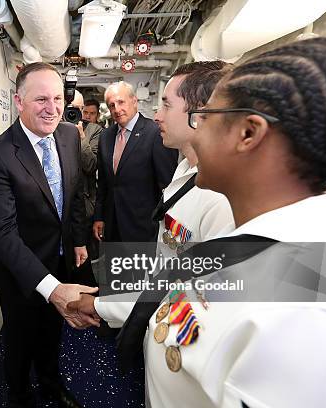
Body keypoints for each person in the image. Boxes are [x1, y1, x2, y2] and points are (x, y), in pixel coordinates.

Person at [144, 37, 326, 407]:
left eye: (205, 117)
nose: (197, 129)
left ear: (248, 134)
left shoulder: (307, 310)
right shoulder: (258, 241)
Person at [68, 61, 234, 332]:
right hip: (119, 228)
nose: (157, 116)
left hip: (144, 232)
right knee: (120, 277)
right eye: (111, 105)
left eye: (167, 105)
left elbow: (195, 298)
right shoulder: (185, 170)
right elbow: (106, 182)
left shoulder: (220, 198)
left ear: (200, 113)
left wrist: (97, 306)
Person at [0, 62, 98, 408]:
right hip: (21, 273)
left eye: (58, 98)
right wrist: (50, 288)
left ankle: (50, 384)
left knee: (51, 334)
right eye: (41, 99)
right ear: (18, 101)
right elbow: (3, 233)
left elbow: (74, 193)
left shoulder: (67, 135)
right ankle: (19, 395)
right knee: (19, 340)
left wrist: (77, 239)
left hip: (61, 260)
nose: (52, 108)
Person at [93, 81, 177, 244]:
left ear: (134, 101)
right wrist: (99, 217)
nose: (116, 109)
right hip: (112, 226)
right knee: (113, 269)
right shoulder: (106, 137)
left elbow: (167, 184)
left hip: (144, 228)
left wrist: (164, 225)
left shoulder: (155, 134)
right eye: (111, 105)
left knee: (141, 270)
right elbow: (103, 183)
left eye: (121, 102)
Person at [69, 90, 103, 284]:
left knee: (85, 258)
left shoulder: (93, 131)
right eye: (71, 109)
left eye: (79, 110)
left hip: (84, 203)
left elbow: (90, 166)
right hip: (63, 206)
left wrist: (81, 136)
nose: (76, 113)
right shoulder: (51, 126)